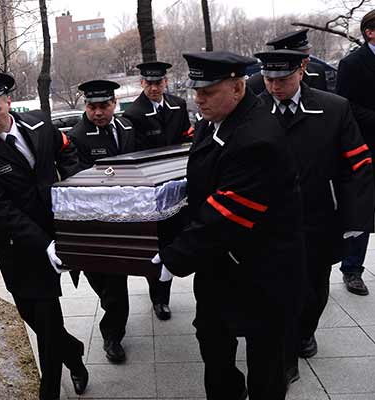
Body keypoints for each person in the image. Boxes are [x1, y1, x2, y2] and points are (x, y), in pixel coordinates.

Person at [152, 51, 306, 400]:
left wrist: (172, 259)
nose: (198, 98)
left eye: (207, 91)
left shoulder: (257, 138)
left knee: (266, 363)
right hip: (220, 266)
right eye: (196, 91)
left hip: (264, 272)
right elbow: (202, 186)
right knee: (214, 348)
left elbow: (226, 215)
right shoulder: (215, 121)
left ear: (237, 88)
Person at [0, 72, 88, 400]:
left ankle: (50, 391)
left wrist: (70, 192)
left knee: (46, 318)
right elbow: (0, 210)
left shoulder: (40, 124)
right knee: (33, 316)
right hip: (16, 245)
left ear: (8, 103)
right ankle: (73, 352)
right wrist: (44, 244)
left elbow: (66, 152)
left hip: (54, 229)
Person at [255, 49, 374, 373]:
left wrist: (355, 218)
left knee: (313, 288)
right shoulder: (254, 108)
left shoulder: (333, 108)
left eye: (283, 79)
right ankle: (285, 354)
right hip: (269, 221)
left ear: (301, 72)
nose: (275, 87)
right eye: (268, 79)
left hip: (318, 216)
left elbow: (358, 165)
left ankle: (305, 331)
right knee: (278, 290)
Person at [67, 79, 138, 363]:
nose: (98, 112)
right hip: (93, 221)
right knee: (100, 279)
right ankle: (113, 310)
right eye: (92, 106)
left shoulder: (127, 128)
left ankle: (112, 335)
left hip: (123, 217)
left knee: (116, 281)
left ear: (114, 104)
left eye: (103, 106)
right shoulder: (78, 136)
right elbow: (77, 178)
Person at [122, 61, 193, 321]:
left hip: (178, 180)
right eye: (149, 83)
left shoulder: (178, 105)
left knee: (176, 236)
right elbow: (135, 154)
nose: (154, 88)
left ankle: (164, 286)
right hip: (152, 187)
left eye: (158, 83)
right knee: (157, 242)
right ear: (142, 84)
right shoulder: (134, 114)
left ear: (165, 82)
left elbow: (186, 139)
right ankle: (159, 297)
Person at [336, 9, 375, 296]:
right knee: (362, 209)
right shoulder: (352, 63)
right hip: (365, 147)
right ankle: (352, 269)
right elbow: (345, 105)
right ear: (370, 33)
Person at [247, 29, 331, 94]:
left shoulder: (317, 71)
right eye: (303, 56)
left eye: (308, 54)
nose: (308, 59)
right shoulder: (255, 84)